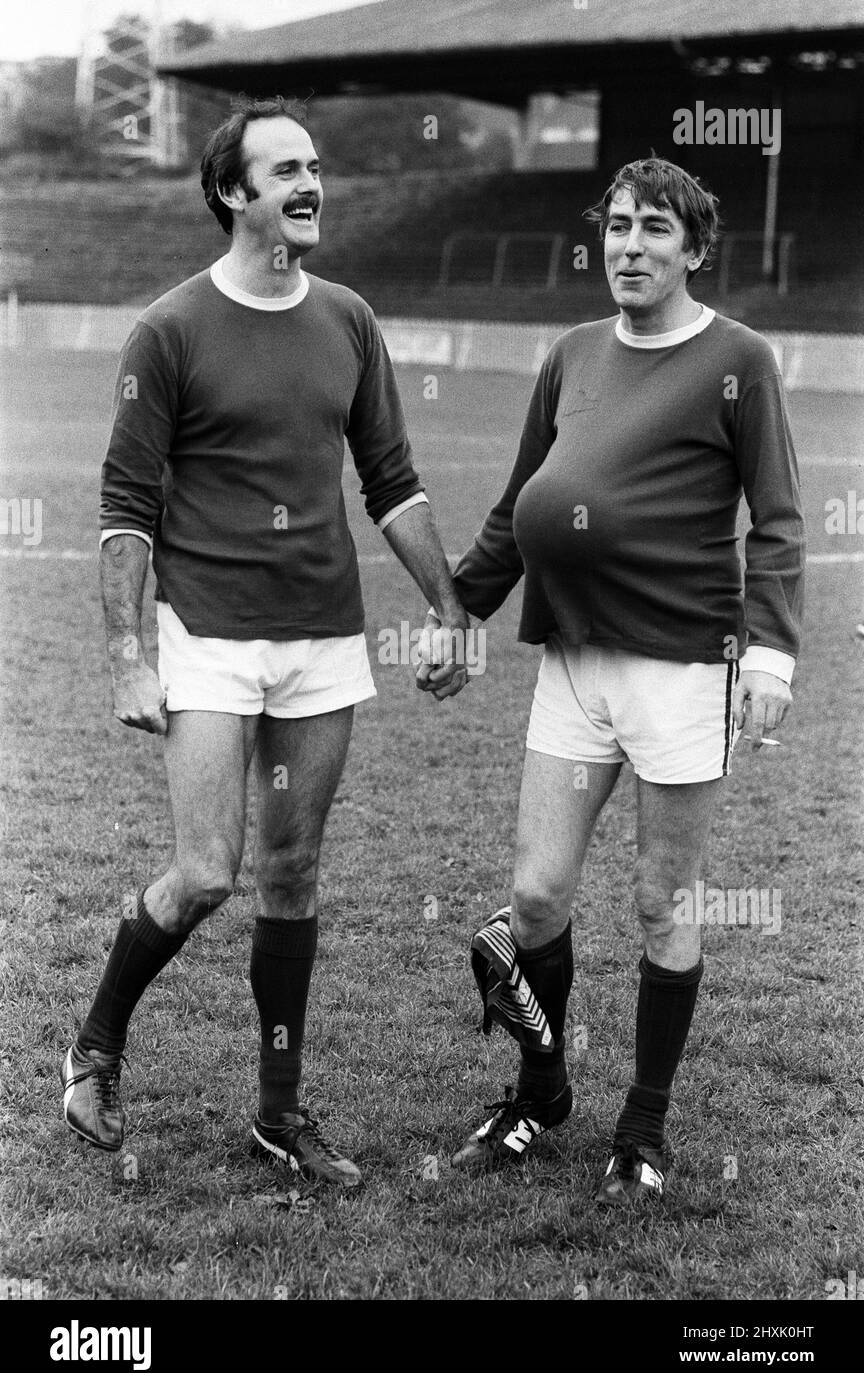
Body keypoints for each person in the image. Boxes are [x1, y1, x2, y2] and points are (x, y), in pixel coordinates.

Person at [61, 95, 467, 1187]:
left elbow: (393, 481)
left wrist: (447, 604)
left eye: (315, 164)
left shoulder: (348, 317)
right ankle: (95, 1046)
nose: (309, 182)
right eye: (283, 168)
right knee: (207, 871)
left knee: (292, 873)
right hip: (206, 634)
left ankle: (279, 1114)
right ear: (233, 193)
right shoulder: (171, 328)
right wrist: (128, 657)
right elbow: (123, 508)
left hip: (324, 639)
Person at [418, 157, 804, 1203]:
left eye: (655, 231)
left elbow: (776, 518)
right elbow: (519, 505)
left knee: (660, 900)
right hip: (573, 660)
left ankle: (643, 1126)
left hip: (682, 669)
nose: (629, 246)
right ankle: (542, 1086)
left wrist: (771, 648)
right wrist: (460, 610)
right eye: (618, 226)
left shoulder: (742, 358)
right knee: (536, 897)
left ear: (694, 248)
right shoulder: (574, 353)